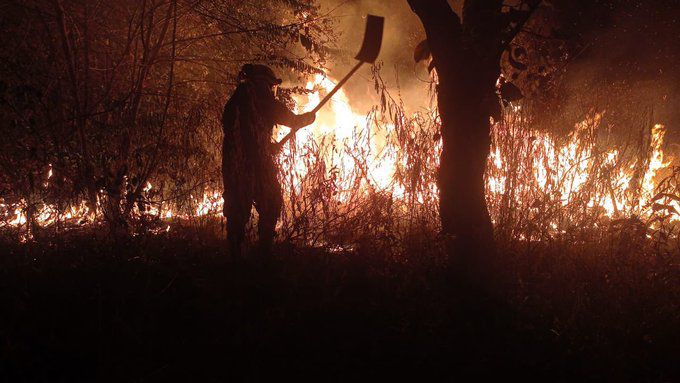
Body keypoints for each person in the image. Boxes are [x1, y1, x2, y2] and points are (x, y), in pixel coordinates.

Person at [222, 64, 315, 255]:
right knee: (271, 202)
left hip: (233, 165)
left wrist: (267, 147)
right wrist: (309, 118)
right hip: (255, 165)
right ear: (263, 83)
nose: (272, 90)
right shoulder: (264, 100)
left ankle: (234, 256)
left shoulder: (235, 102)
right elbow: (294, 121)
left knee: (236, 210)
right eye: (271, 86)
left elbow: (240, 134)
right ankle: (264, 252)